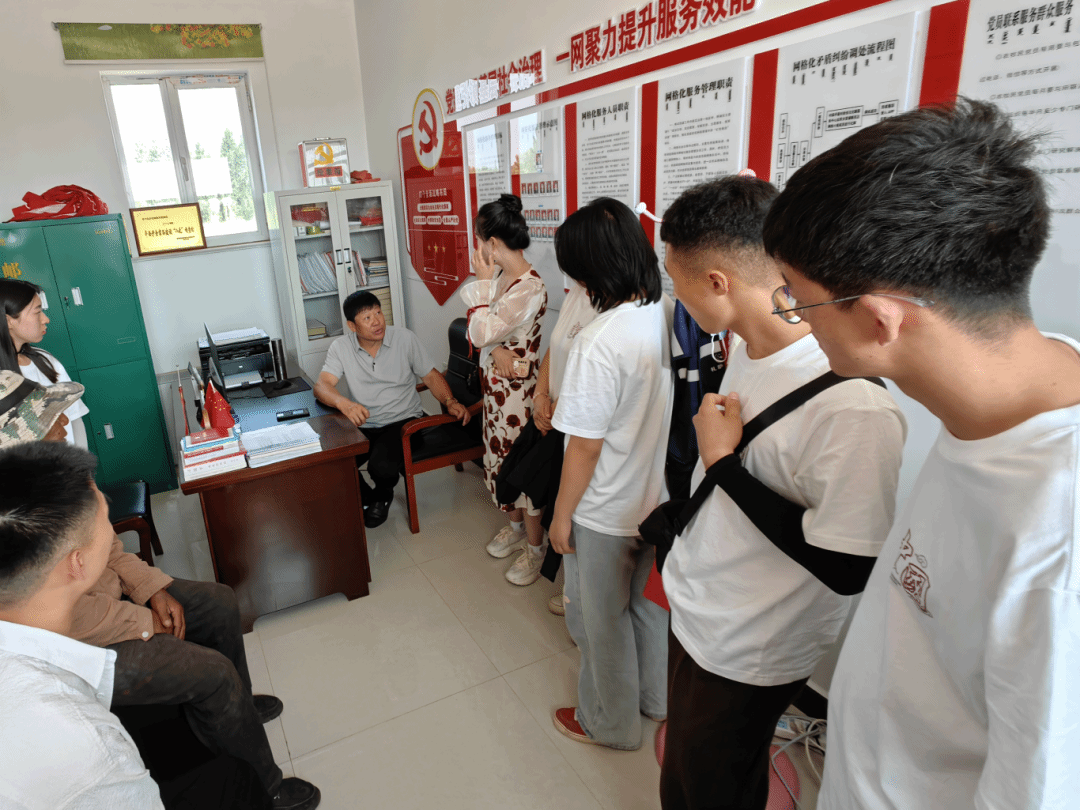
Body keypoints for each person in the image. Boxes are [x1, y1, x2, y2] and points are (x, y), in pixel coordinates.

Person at [761, 97, 1080, 810]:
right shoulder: (1014, 392)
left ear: (880, 320)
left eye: (799, 300)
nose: (796, 318)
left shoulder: (1058, 534)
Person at [657, 176, 907, 810]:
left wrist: (722, 464)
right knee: (684, 775)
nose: (675, 297)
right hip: (702, 605)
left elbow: (847, 567)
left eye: (678, 282)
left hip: (751, 644)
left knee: (712, 789)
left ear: (718, 282)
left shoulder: (853, 405)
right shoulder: (748, 345)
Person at [0, 370, 319, 810]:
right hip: (85, 641)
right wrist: (144, 621)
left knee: (218, 602)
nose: (63, 424)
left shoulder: (55, 478)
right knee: (211, 672)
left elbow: (109, 548)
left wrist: (152, 590)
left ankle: (237, 709)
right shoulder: (17, 526)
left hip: (114, 601)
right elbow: (59, 618)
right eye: (48, 420)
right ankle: (268, 787)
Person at [547, 197, 673, 750]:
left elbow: (584, 448)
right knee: (647, 610)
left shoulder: (599, 341)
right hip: (655, 499)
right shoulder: (665, 313)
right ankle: (655, 701)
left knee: (601, 622)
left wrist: (561, 517)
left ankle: (609, 723)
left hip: (604, 510)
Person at [315, 290, 471, 528]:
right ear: (352, 326)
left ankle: (382, 495)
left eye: (378, 313)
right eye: (367, 318)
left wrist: (450, 401)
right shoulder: (341, 347)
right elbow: (322, 385)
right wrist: (344, 403)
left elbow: (430, 376)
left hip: (403, 421)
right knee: (335, 462)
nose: (377, 321)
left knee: (381, 467)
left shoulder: (404, 339)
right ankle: (370, 498)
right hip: (364, 422)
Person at [460, 194, 549, 586]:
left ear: (492, 243)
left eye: (480, 241)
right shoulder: (499, 280)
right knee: (497, 461)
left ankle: (535, 549)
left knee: (520, 466)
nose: (478, 248)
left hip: (518, 398)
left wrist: (488, 339)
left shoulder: (529, 288)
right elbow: (479, 335)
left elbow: (480, 330)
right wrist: (494, 349)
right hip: (495, 393)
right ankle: (514, 531)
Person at [531, 278, 601, 615]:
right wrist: (540, 395)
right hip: (557, 419)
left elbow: (591, 376)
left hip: (578, 428)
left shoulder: (615, 311)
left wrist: (562, 406)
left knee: (574, 514)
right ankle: (573, 591)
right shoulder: (575, 295)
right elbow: (555, 347)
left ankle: (581, 599)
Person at [1, 278, 90, 448]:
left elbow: (74, 419)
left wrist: (82, 462)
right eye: (37, 312)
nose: (46, 319)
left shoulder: (45, 360)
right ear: (8, 320)